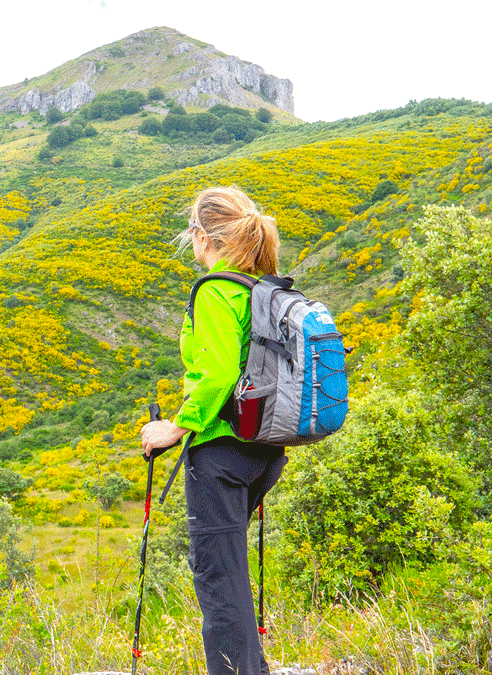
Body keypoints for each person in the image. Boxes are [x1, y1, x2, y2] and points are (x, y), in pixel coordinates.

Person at [140, 185, 287, 675]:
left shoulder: (215, 291)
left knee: (218, 578)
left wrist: (175, 428)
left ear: (201, 236)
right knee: (230, 571)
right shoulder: (261, 289)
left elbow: (220, 373)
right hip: (266, 450)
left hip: (221, 452)